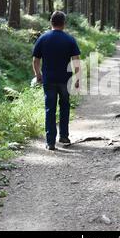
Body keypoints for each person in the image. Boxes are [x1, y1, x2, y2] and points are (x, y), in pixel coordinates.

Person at [32, 11, 81, 151]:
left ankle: (50, 142)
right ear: (64, 23)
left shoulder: (43, 38)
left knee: (50, 109)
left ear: (51, 22)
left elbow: (36, 60)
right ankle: (64, 136)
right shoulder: (70, 39)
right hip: (65, 80)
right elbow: (76, 60)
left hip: (49, 80)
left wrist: (38, 74)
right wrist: (77, 78)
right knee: (65, 106)